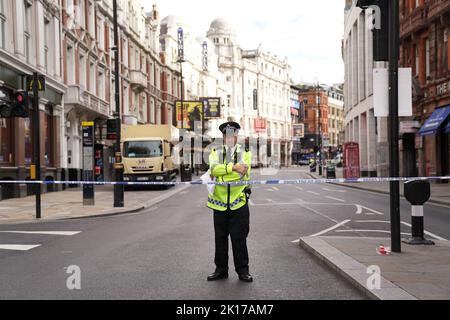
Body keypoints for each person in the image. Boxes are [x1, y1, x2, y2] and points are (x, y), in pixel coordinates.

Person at [206, 121, 253, 283]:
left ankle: (243, 271)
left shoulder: (245, 152)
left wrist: (223, 170)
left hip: (238, 202)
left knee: (239, 238)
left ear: (236, 136)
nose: (230, 138)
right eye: (227, 135)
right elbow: (213, 169)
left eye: (233, 135)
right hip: (218, 202)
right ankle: (221, 270)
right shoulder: (215, 151)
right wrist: (233, 168)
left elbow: (244, 174)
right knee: (220, 238)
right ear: (223, 137)